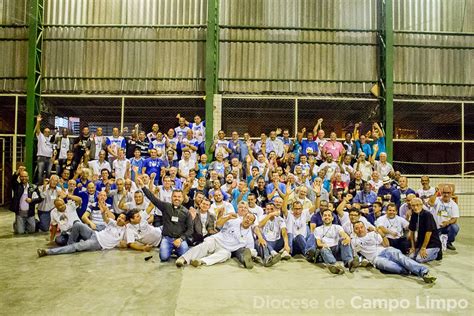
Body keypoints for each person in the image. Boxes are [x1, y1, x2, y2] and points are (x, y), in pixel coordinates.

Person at [351, 221, 436, 283]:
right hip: (376, 259)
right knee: (391, 266)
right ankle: (411, 269)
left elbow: (386, 245)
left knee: (401, 258)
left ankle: (424, 272)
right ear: (354, 230)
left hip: (386, 250)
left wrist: (382, 235)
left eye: (361, 227)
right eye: (357, 228)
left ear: (365, 227)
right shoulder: (354, 241)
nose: (360, 230)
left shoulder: (373, 234)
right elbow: (357, 256)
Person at [138, 179, 193, 262]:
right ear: (171, 197)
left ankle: (176, 250)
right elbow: (153, 199)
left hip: (180, 239)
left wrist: (181, 239)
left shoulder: (186, 212)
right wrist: (143, 187)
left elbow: (190, 229)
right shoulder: (166, 207)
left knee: (184, 255)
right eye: (174, 196)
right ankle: (171, 250)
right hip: (167, 239)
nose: (176, 198)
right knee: (163, 257)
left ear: (182, 198)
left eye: (179, 197)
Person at [176, 213, 256, 268]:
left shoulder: (249, 236)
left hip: (226, 249)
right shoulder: (234, 221)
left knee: (226, 255)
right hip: (217, 240)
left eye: (251, 220)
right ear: (243, 217)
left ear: (252, 223)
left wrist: (253, 255)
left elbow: (251, 250)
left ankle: (201, 261)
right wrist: (227, 217)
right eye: (247, 217)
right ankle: (183, 259)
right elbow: (218, 224)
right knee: (204, 246)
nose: (248, 220)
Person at [37, 210, 128, 257]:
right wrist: (104, 211)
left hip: (98, 243)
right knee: (77, 224)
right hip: (94, 234)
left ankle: (48, 252)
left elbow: (127, 243)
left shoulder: (125, 231)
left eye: (122, 218)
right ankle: (69, 246)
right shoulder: (112, 222)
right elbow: (105, 218)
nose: (119, 219)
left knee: (77, 246)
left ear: (126, 222)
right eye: (119, 217)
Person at [307, 209, 358, 274]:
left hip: (336, 250)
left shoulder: (337, 227)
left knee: (343, 240)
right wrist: (324, 245)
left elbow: (343, 234)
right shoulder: (318, 229)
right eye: (325, 215)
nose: (327, 217)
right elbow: (319, 243)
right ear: (322, 218)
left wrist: (347, 238)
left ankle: (349, 263)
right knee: (323, 249)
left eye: (329, 215)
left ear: (332, 218)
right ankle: (334, 266)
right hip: (326, 251)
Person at [408, 198, 442, 263]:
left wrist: (423, 248)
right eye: (413, 205)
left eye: (417, 205)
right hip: (421, 243)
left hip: (432, 244)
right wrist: (413, 247)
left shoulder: (427, 215)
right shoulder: (413, 215)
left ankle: (436, 253)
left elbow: (428, 233)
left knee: (419, 259)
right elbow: (412, 231)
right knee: (411, 257)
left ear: (421, 205)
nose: (415, 207)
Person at [428, 185, 460, 250]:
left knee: (455, 227)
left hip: (446, 227)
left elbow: (454, 218)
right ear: (441, 193)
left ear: (451, 194)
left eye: (448, 193)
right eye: (444, 192)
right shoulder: (437, 200)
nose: (446, 195)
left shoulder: (454, 205)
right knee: (435, 244)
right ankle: (439, 239)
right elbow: (430, 202)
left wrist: (447, 222)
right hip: (435, 227)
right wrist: (436, 193)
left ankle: (448, 242)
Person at [35, 115, 55, 184]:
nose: (47, 133)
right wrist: (38, 122)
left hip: (49, 158)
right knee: (40, 173)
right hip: (41, 157)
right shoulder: (41, 137)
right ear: (43, 132)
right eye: (46, 131)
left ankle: (47, 186)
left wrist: (53, 157)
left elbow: (54, 150)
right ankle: (40, 186)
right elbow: (37, 130)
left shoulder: (51, 139)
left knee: (48, 173)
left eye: (48, 132)